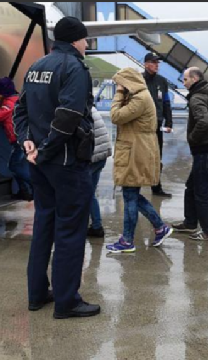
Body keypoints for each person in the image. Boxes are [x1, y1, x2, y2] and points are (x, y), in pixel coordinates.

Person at [13, 16, 100, 319]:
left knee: (43, 226)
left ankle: (37, 294)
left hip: (39, 162)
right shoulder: (74, 67)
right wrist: (47, 149)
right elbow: (69, 114)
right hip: (65, 162)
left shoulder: (37, 66)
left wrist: (28, 143)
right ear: (76, 40)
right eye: (85, 39)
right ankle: (67, 301)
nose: (87, 45)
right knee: (70, 231)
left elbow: (20, 109)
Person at [105, 68, 173, 254]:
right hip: (136, 148)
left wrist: (119, 93)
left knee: (130, 194)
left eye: (120, 84)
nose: (118, 87)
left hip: (136, 150)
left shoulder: (140, 99)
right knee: (131, 193)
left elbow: (116, 116)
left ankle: (128, 240)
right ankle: (159, 227)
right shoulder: (140, 96)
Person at [172, 67, 208, 240]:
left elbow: (204, 121)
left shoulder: (197, 98)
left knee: (201, 193)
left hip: (205, 150)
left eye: (185, 79)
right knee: (191, 186)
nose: (183, 82)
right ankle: (190, 222)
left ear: (194, 79)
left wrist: (193, 139)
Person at [143, 52, 173, 198]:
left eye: (158, 63)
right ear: (146, 64)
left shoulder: (162, 81)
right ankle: (136, 184)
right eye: (153, 62)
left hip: (157, 125)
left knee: (157, 157)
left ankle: (156, 187)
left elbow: (166, 102)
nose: (156, 65)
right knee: (142, 156)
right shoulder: (139, 80)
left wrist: (169, 121)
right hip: (143, 127)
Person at [0, 77, 33, 201]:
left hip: (18, 140)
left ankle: (35, 187)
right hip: (21, 139)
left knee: (15, 167)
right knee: (17, 166)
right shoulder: (17, 98)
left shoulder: (9, 104)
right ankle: (25, 191)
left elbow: (1, 115)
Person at [87, 106, 112, 238]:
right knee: (90, 192)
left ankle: (96, 226)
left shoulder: (79, 107)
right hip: (101, 153)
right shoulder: (89, 106)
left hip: (94, 155)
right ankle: (95, 225)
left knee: (86, 193)